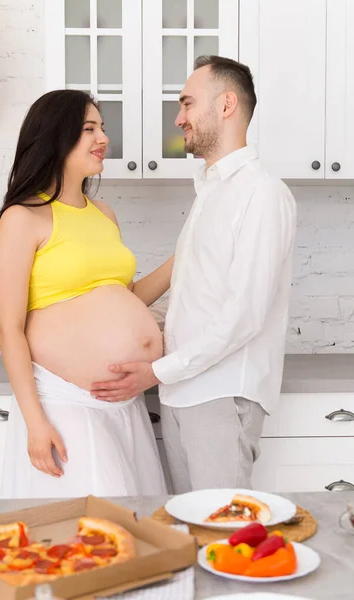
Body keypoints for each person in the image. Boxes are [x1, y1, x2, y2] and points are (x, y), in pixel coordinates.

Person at [91, 56, 297, 493]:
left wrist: (158, 370)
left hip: (220, 395)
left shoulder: (261, 194)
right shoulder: (210, 192)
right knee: (189, 532)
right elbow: (193, 298)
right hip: (182, 392)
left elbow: (244, 316)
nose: (179, 118)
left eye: (187, 103)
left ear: (226, 105)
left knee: (220, 533)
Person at [0, 89, 171, 498]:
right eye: (89, 129)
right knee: (91, 538)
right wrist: (35, 423)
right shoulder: (23, 217)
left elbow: (125, 298)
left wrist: (181, 260)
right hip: (65, 403)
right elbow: (9, 328)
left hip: (124, 404)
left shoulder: (103, 214)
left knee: (133, 532)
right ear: (55, 136)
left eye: (102, 128)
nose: (103, 138)